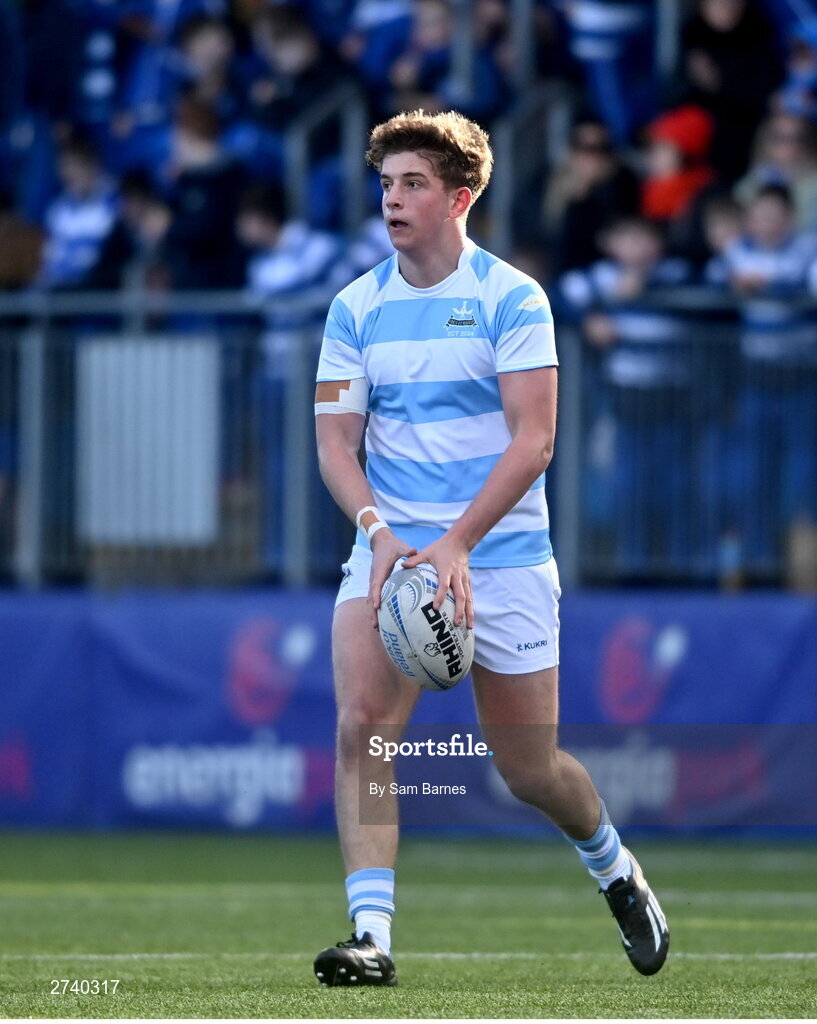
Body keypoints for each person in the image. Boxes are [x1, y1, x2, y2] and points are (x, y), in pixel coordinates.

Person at [312, 109, 669, 987]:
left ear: (459, 197)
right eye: (386, 182)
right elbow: (333, 444)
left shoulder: (513, 298)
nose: (391, 199)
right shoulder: (354, 306)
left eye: (413, 184)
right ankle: (372, 937)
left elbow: (533, 443)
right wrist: (381, 536)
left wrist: (460, 545)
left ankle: (614, 869)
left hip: (499, 560)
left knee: (529, 769)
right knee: (363, 730)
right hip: (391, 555)